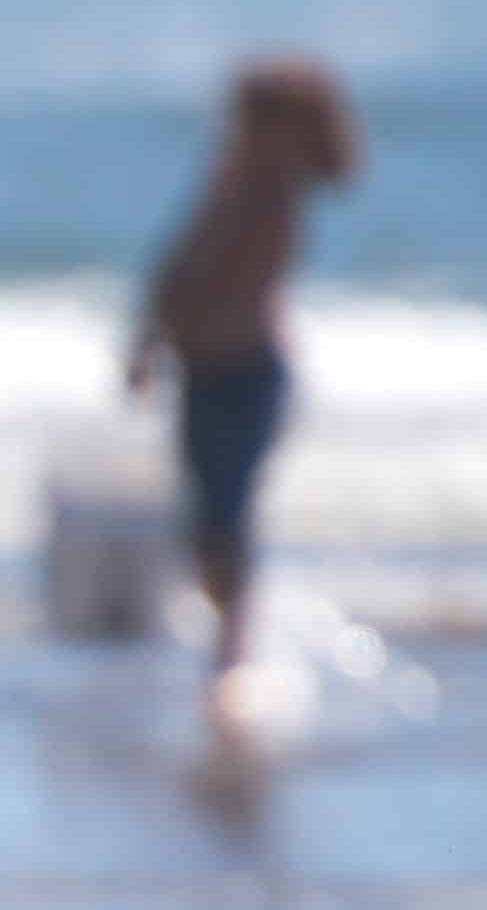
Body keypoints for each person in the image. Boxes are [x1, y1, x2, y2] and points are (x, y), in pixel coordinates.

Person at [119, 54, 359, 703]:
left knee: (226, 514)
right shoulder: (234, 186)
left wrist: (161, 328)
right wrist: (152, 338)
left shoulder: (273, 199)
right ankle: (229, 644)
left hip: (245, 374)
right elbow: (178, 269)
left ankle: (233, 651)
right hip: (205, 369)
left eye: (249, 119)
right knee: (208, 517)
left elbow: (209, 277)